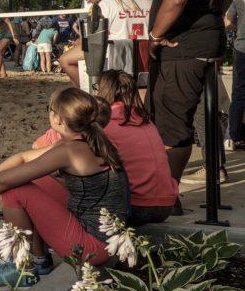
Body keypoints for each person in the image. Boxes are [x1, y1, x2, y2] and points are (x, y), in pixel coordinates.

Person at [0, 87, 129, 289]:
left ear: (58, 119)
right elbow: (22, 158)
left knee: (14, 191)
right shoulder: (88, 140)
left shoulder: (71, 150)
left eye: (50, 109)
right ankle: (40, 261)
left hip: (94, 248)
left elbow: (3, 183)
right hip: (105, 236)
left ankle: (23, 270)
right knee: (36, 182)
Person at [148, 0, 231, 189]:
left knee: (171, 123)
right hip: (208, 45)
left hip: (183, 51)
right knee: (191, 117)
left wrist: (156, 35)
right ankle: (188, 182)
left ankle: (166, 193)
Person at [33, 71, 178, 226]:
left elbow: (38, 146)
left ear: (102, 92)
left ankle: (42, 245)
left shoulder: (101, 123)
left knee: (41, 176)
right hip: (166, 204)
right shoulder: (146, 121)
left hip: (132, 206)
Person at [98, 0, 152, 83]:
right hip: (147, 60)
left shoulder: (107, 4)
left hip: (117, 64)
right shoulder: (153, 0)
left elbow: (99, 38)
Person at [59, 0, 110, 85]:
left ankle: (87, 89)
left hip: (103, 47)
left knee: (64, 60)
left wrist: (81, 41)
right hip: (112, 45)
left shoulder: (100, 7)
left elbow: (95, 35)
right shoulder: (113, 2)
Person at [226, 0, 245, 148]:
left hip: (242, 48)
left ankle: (235, 136)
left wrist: (239, 28)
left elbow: (227, 22)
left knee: (239, 93)